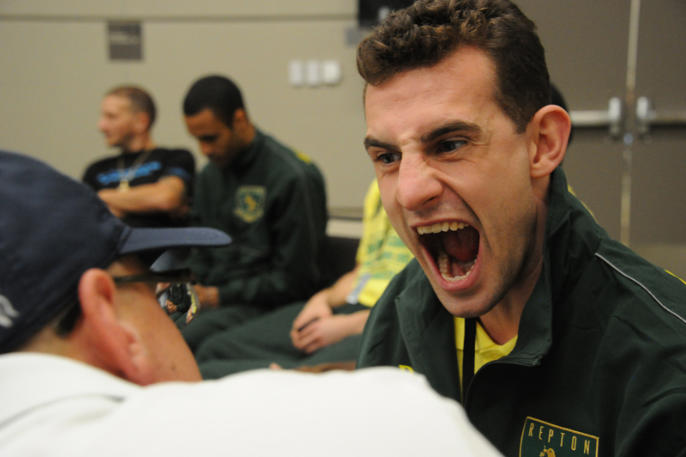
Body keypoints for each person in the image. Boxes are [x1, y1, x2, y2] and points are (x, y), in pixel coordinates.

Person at [0, 150, 502, 457]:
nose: (412, 187)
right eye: (154, 288)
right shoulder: (393, 418)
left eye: (449, 146)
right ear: (108, 316)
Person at [355, 1, 686, 456]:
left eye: (450, 145)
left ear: (542, 145)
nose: (409, 193)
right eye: (388, 157)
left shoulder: (663, 366)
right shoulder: (397, 313)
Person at [195, 179, 413, 377]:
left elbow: (424, 304)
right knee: (212, 351)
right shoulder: (378, 186)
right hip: (348, 305)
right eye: (385, 158)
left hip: (388, 321)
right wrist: (321, 300)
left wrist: (351, 325)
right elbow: (364, 270)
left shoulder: (420, 193)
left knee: (303, 378)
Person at [178, 75, 328, 349]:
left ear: (239, 120)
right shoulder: (210, 176)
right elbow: (200, 253)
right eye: (197, 140)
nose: (204, 150)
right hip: (216, 299)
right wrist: (183, 283)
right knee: (147, 324)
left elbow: (296, 281)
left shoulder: (292, 177)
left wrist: (218, 295)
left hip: (268, 305)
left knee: (181, 340)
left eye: (210, 138)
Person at [82, 85, 195, 228]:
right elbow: (85, 214)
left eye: (112, 117)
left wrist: (103, 196)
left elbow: (166, 198)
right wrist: (144, 204)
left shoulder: (175, 157)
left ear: (141, 121)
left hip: (160, 241)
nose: (101, 126)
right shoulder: (96, 169)